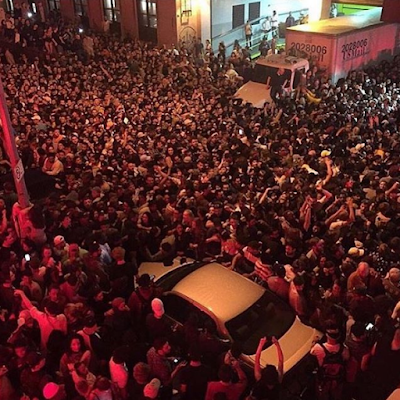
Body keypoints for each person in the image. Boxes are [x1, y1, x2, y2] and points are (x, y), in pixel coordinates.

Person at [311, 322, 349, 400]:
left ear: (326, 335)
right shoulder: (345, 350)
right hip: (337, 381)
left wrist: (314, 342)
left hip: (324, 380)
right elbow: (347, 359)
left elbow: (311, 352)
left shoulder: (318, 348)